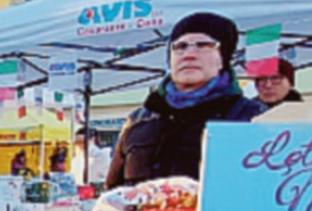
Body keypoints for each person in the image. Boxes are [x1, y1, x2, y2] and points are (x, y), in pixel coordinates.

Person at [107, 11, 266, 189]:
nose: (189, 54)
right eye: (180, 46)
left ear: (223, 58)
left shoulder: (252, 118)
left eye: (203, 45)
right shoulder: (139, 119)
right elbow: (115, 191)